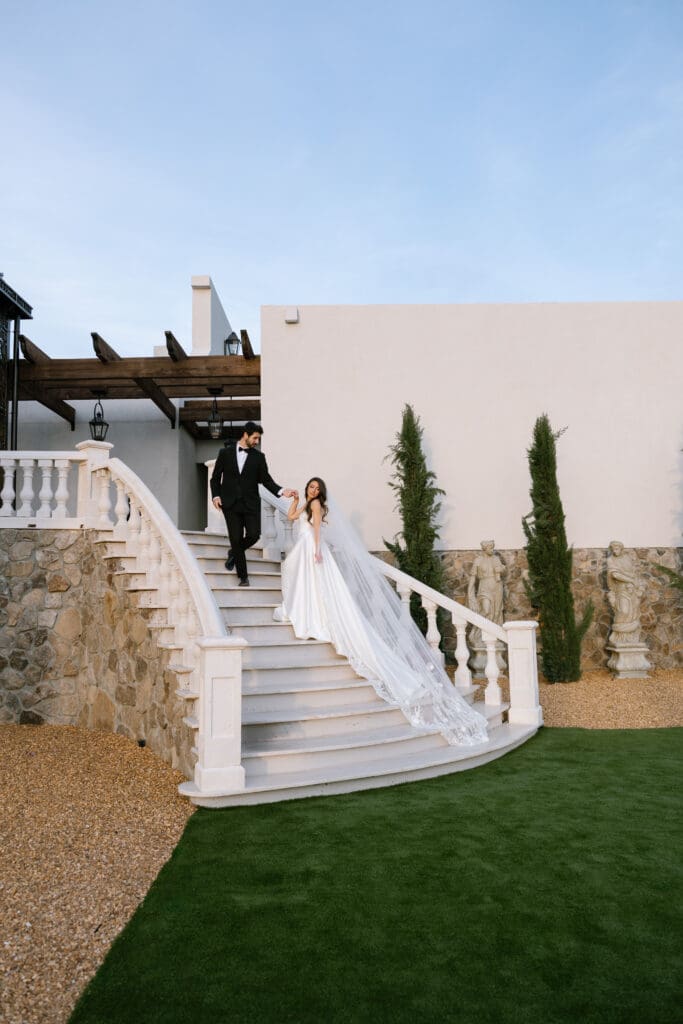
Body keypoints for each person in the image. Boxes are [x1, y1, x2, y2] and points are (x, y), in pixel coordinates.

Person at [274, 477, 488, 747]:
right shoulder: (306, 503)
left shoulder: (316, 506)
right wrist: (294, 499)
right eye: (310, 488)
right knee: (310, 589)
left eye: (316, 489)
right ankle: (310, 615)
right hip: (305, 550)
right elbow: (292, 516)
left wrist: (317, 551)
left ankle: (315, 619)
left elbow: (316, 529)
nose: (313, 492)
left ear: (321, 493)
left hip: (312, 551)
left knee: (321, 591)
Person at [210, 422, 296, 587]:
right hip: (230, 504)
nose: (257, 441)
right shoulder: (225, 453)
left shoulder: (259, 457)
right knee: (235, 538)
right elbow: (215, 478)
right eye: (255, 438)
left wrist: (282, 491)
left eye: (258, 438)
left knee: (254, 535)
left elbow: (266, 480)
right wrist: (215, 496)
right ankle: (243, 577)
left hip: (250, 504)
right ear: (245, 435)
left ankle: (234, 553)